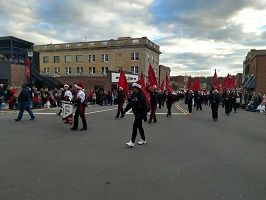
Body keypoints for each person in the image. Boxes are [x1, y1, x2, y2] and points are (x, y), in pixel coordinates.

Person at [121, 83, 148, 148]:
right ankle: (143, 139)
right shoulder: (133, 95)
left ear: (137, 88)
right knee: (139, 127)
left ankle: (132, 142)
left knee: (134, 127)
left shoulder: (142, 96)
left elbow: (145, 107)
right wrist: (124, 111)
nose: (132, 89)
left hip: (140, 114)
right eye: (132, 88)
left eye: (133, 88)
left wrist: (145, 116)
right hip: (136, 114)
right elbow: (130, 104)